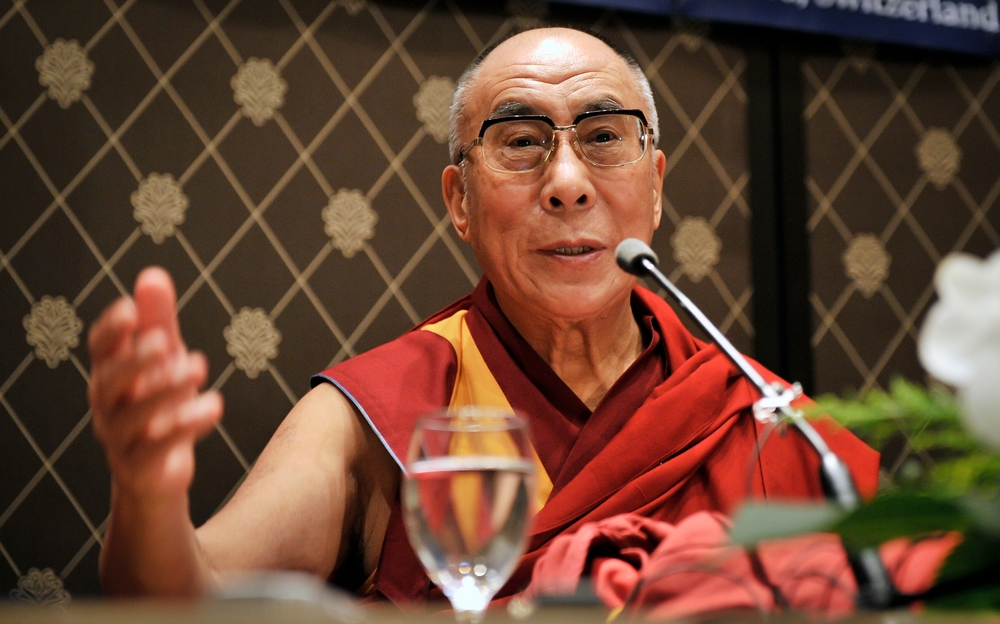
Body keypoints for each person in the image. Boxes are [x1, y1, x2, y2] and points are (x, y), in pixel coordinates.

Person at [87, 27, 878, 603]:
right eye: (521, 142)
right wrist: (147, 492)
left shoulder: (761, 418)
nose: (567, 181)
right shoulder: (381, 408)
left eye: (604, 137)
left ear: (657, 186)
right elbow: (184, 596)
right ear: (459, 200)